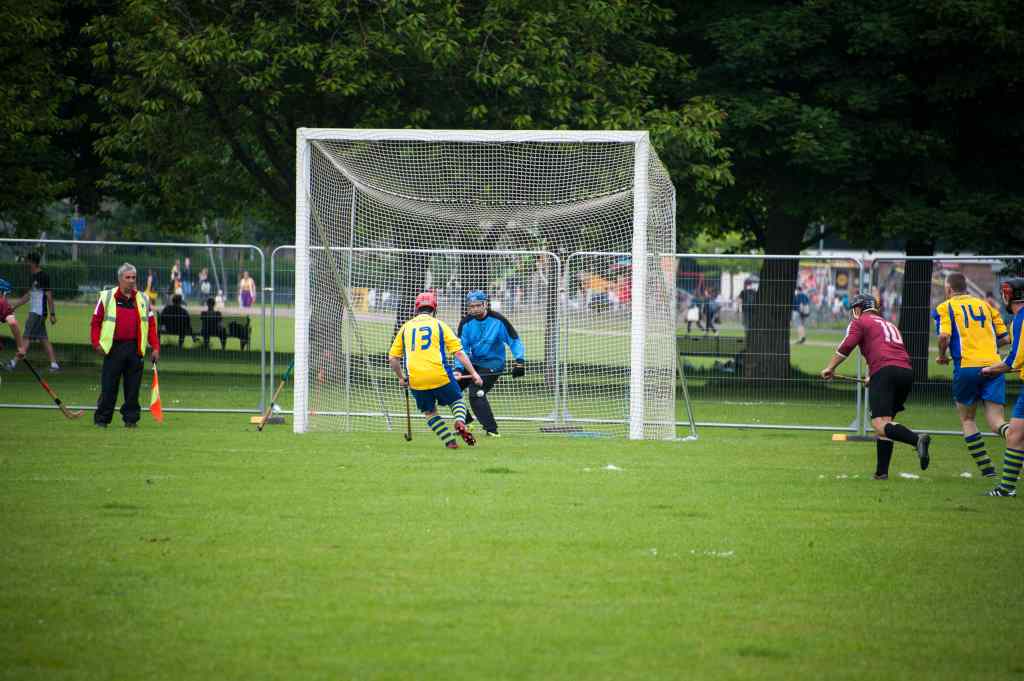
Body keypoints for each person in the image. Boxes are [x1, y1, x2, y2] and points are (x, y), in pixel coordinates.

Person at [820, 293, 931, 479]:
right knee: (887, 424)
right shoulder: (888, 324)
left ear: (858, 308)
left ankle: (917, 439)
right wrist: (871, 375)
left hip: (886, 371)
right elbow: (883, 351)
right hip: (905, 372)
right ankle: (881, 473)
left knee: (880, 424)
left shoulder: (860, 321)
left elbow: (846, 346)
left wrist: (830, 367)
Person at [934, 272, 1011, 478]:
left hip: (967, 367)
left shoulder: (946, 307)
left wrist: (942, 356)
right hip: (994, 365)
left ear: (949, 289)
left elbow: (944, 336)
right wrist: (986, 348)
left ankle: (987, 470)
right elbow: (1005, 338)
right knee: (996, 422)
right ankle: (1016, 435)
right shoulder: (987, 306)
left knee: (968, 419)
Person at [387, 291, 483, 449]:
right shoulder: (440, 325)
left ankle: (449, 442)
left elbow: (393, 358)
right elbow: (458, 352)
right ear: (434, 308)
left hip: (416, 379)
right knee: (456, 400)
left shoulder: (405, 327)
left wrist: (402, 377)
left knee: (430, 412)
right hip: (440, 374)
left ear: (416, 309)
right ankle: (459, 421)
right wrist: (473, 373)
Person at [90, 263, 160, 428]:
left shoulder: (143, 299)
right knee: (109, 387)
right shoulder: (107, 297)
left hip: (135, 350)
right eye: (127, 277)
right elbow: (95, 322)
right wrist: (96, 343)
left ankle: (131, 419)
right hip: (113, 349)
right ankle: (102, 419)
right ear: (120, 279)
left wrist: (155, 347)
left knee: (133, 389)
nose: (131, 281)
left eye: (133, 278)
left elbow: (151, 325)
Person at [453, 290, 526, 437]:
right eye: (471, 306)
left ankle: (491, 429)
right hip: (473, 363)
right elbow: (461, 348)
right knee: (450, 389)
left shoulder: (498, 320)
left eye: (478, 305)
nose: (474, 309)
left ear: (485, 304)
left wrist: (520, 361)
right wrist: (459, 369)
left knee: (476, 392)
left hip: (493, 363)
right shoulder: (466, 323)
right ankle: (466, 423)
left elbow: (514, 340)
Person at [981, 278, 1024, 497]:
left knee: (1016, 435)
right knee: (1015, 435)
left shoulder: (1020, 319)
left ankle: (1006, 487)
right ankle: (1006, 488)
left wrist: (991, 370)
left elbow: (1015, 358)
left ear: (1009, 295)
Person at [6, 252, 60, 373]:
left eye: (27, 261)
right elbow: (29, 295)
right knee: (43, 338)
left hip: (38, 313)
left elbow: (49, 296)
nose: (26, 263)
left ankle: (13, 363)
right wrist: (14, 306)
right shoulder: (33, 277)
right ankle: (54, 364)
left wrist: (52, 314)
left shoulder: (43, 276)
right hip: (35, 312)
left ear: (33, 262)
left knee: (26, 337)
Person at [0, 278, 27, 366]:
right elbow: (13, 323)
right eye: (7, 294)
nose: (7, 297)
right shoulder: (3, 303)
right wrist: (20, 347)